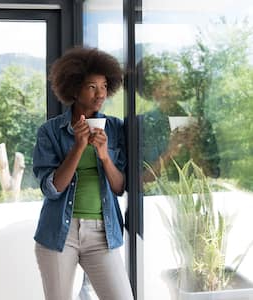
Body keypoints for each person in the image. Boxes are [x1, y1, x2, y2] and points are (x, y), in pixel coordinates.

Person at [32, 46, 134, 300]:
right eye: (91, 86)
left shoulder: (115, 128)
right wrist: (78, 147)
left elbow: (119, 187)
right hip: (58, 233)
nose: (100, 94)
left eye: (103, 86)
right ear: (74, 88)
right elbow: (51, 188)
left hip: (102, 233)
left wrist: (104, 156)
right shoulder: (51, 131)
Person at [136, 54, 220, 184]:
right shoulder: (141, 125)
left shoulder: (201, 124)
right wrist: (170, 152)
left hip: (195, 198)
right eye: (168, 88)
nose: (173, 93)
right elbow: (139, 182)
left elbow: (212, 177)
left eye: (176, 87)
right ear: (153, 92)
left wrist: (194, 148)